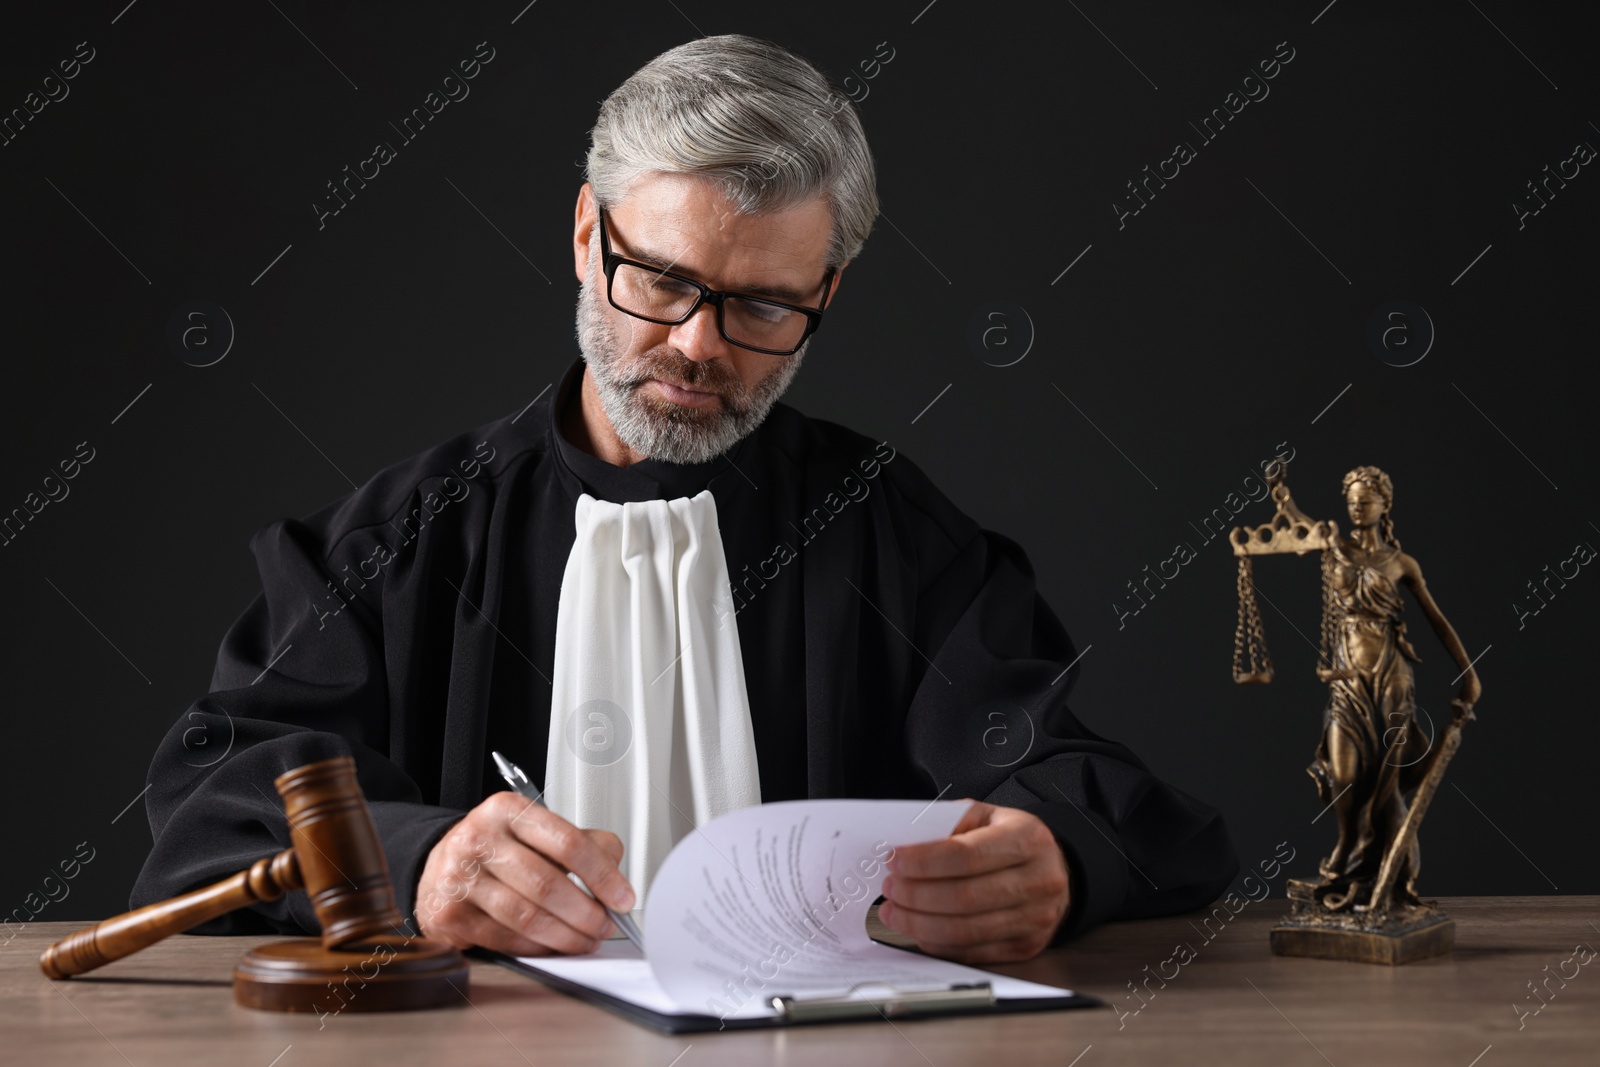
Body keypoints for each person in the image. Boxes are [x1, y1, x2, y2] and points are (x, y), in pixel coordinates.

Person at [131, 33, 1237, 966]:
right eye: (661, 279)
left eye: (761, 304)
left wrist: (1055, 854)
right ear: (585, 235)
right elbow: (211, 804)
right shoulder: (389, 544)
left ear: (827, 291)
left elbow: (1081, 777)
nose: (696, 345)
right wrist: (418, 860)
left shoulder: (897, 533)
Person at [1309, 466, 1482, 911]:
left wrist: (1469, 672)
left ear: (1385, 505)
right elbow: (1295, 524)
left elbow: (1438, 621)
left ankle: (1384, 870)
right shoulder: (1334, 547)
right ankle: (1350, 841)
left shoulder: (1402, 564)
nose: (1356, 505)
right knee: (1345, 776)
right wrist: (1280, 494)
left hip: (1391, 672)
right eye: (1351, 498)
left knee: (1388, 769)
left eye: (1366, 498)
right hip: (1347, 678)